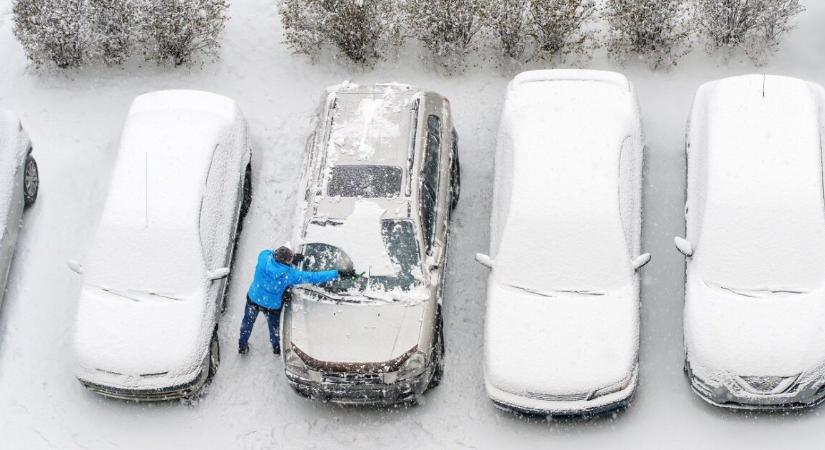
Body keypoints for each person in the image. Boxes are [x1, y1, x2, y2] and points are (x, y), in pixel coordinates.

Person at [239, 246, 355, 355]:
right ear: (286, 262)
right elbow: (313, 277)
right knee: (274, 328)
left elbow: (268, 252)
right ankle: (276, 348)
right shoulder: (290, 275)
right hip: (271, 306)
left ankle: (242, 346)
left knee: (247, 323)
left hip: (253, 299)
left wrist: (290, 259)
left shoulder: (263, 258)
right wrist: (337, 273)